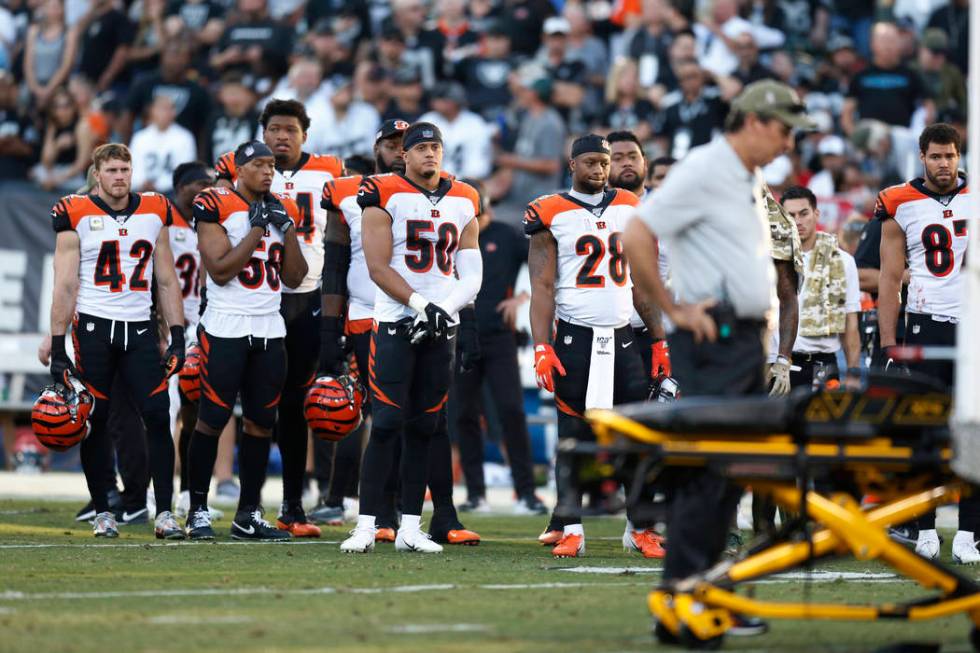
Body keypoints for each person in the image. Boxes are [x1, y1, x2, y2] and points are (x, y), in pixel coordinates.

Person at [625, 80, 815, 638]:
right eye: (782, 131)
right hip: (715, 337)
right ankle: (691, 601)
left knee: (723, 470)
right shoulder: (707, 167)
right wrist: (673, 310)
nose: (787, 144)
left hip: (739, 338)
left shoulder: (742, 174)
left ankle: (694, 595)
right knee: (713, 468)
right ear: (753, 122)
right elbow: (637, 231)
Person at [339, 122, 482, 554]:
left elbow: (472, 273)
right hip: (397, 323)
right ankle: (366, 523)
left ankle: (410, 527)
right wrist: (423, 306)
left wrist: (444, 310)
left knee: (425, 425)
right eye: (420, 148)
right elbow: (378, 267)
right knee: (385, 423)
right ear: (404, 154)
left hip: (441, 326)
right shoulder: (381, 191)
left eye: (435, 147)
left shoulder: (465, 196)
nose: (429, 155)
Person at [214, 100, 344, 538]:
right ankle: (202, 500)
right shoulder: (235, 169)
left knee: (294, 404)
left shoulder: (330, 169)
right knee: (231, 404)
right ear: (262, 133)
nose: (282, 136)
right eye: (274, 129)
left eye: (290, 129)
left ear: (305, 135)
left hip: (304, 297)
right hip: (249, 300)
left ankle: (292, 502)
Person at [525, 134, 658, 559]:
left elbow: (640, 281)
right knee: (573, 435)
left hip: (623, 336)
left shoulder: (629, 205)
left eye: (603, 163)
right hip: (575, 336)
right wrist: (542, 346)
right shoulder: (551, 211)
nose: (598, 170)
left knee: (636, 434)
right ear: (572, 165)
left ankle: (641, 527)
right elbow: (542, 287)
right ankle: (571, 527)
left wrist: (659, 342)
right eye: (590, 163)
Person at [48, 142, 188, 539]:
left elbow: (165, 278)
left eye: (124, 169)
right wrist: (58, 347)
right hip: (93, 328)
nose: (120, 177)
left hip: (139, 328)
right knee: (95, 419)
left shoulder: (153, 209)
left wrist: (176, 335)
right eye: (111, 170)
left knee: (159, 415)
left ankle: (163, 512)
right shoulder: (75, 212)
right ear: (96, 174)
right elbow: (64, 284)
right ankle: (104, 510)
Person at [186, 141, 307, 541]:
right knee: (213, 419)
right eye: (259, 164)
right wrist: (257, 228)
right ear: (239, 168)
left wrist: (285, 228)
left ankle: (248, 514)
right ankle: (198, 509)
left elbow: (295, 277)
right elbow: (220, 270)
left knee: (261, 424)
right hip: (226, 325)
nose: (268, 171)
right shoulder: (215, 202)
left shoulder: (278, 208)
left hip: (270, 327)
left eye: (272, 165)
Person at [875, 122, 978, 565]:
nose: (943, 163)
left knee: (972, 431)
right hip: (926, 323)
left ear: (959, 156)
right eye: (935, 156)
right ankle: (924, 527)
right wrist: (887, 343)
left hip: (972, 327)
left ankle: (970, 531)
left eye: (949, 155)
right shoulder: (899, 202)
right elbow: (889, 279)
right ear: (921, 156)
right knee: (924, 431)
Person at [315, 119, 410, 532]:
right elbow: (335, 265)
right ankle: (345, 499)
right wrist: (329, 327)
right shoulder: (346, 193)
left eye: (407, 144)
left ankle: (399, 509)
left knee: (412, 414)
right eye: (392, 144)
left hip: (414, 315)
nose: (400, 151)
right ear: (377, 149)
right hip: (364, 315)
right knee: (361, 411)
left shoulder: (439, 192)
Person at [452, 177, 544, 516]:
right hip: (462, 333)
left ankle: (527, 493)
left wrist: (523, 296)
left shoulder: (506, 235)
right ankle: (476, 493)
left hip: (499, 335)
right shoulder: (453, 234)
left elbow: (545, 262)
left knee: (512, 411)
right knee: (464, 415)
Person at [167, 161, 234, 522]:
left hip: (209, 323)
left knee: (199, 411)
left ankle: (187, 494)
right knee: (165, 409)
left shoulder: (218, 218)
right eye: (197, 183)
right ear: (180, 186)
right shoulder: (163, 219)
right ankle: (153, 491)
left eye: (209, 183)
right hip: (172, 324)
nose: (203, 189)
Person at [771, 186, 861, 390]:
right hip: (776, 362)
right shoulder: (770, 259)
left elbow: (850, 325)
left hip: (823, 364)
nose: (798, 221)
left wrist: (853, 373)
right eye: (790, 215)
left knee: (824, 423)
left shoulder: (843, 261)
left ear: (816, 214)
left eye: (804, 213)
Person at [418, 82, 493, 181]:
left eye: (440, 99)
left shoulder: (475, 123)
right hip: (430, 182)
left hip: (467, 183)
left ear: (453, 102)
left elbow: (478, 166)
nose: (434, 102)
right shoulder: (427, 120)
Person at [129, 95, 197, 193]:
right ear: (152, 111)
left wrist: (158, 186)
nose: (166, 113)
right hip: (141, 191)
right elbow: (133, 169)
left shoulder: (185, 137)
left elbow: (185, 173)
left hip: (171, 193)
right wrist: (142, 183)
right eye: (162, 109)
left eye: (170, 109)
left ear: (174, 113)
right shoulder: (139, 137)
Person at [23, 0, 79, 110]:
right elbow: (28, 64)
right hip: (34, 87)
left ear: (62, 9)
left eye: (56, 6)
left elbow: (66, 65)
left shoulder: (69, 32)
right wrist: (35, 89)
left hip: (58, 88)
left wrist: (48, 90)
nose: (52, 10)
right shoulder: (34, 30)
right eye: (49, 6)